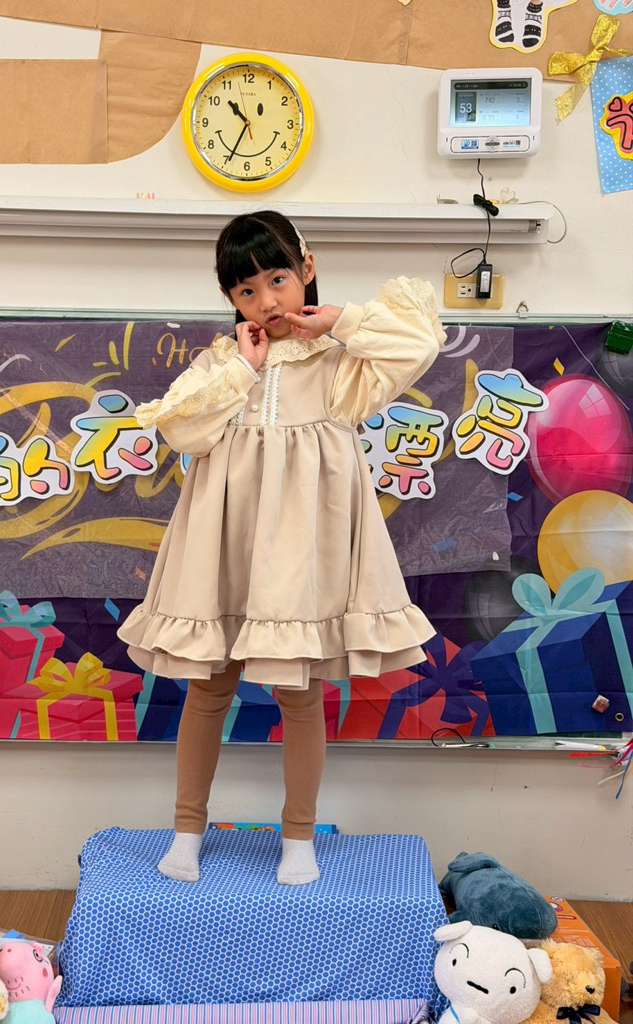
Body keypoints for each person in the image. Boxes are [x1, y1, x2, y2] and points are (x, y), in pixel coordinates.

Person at [118, 210, 446, 886]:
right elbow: (182, 429)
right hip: (224, 545)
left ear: (307, 269)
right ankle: (187, 829)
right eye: (246, 290)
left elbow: (419, 340)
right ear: (230, 299)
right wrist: (243, 367)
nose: (266, 301)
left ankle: (299, 835)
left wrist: (342, 321)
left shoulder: (341, 364)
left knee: (300, 694)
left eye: (277, 279)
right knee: (208, 688)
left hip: (301, 552)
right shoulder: (223, 363)